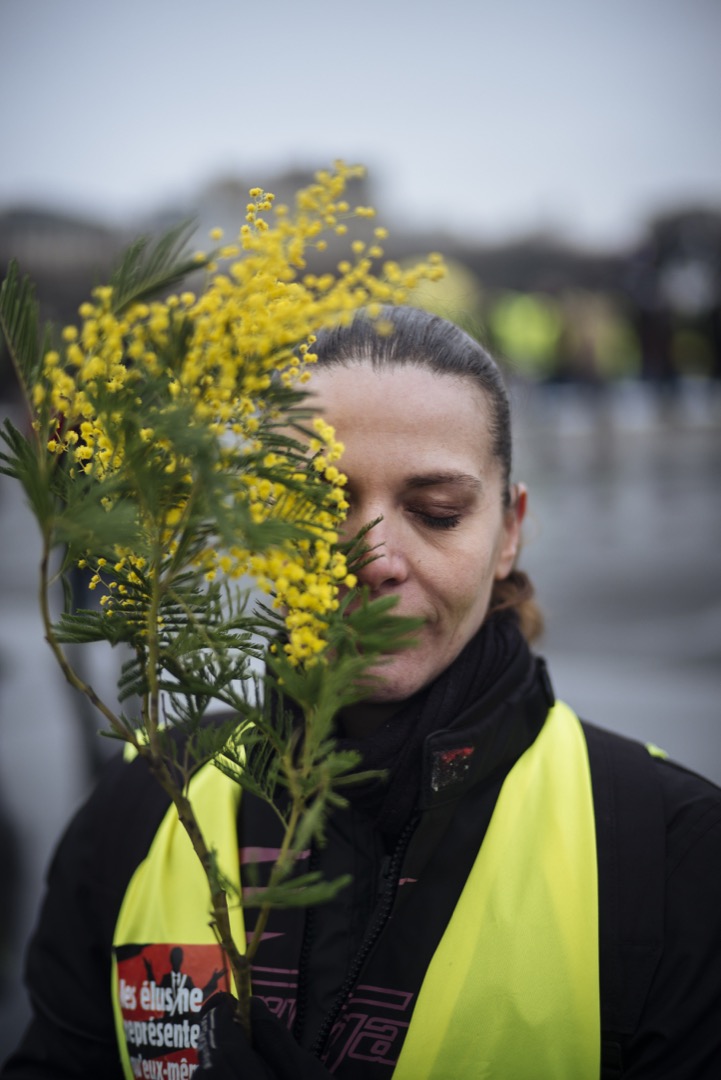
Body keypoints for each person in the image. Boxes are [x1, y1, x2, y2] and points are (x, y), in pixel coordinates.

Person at [2, 306, 720, 1079]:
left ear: (508, 532)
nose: (373, 556)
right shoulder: (141, 802)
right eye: (318, 505)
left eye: (436, 512)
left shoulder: (673, 848)